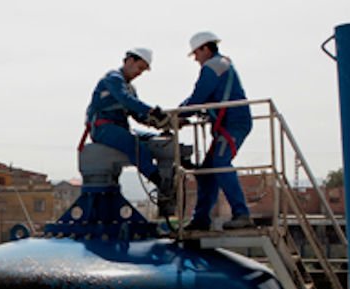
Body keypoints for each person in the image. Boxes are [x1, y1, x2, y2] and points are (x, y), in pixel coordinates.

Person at [82, 48, 173, 214]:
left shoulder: (130, 88)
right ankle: (159, 181)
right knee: (135, 145)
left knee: (159, 141)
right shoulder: (113, 79)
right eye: (139, 68)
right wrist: (152, 111)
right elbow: (126, 100)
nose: (140, 73)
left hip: (120, 128)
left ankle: (175, 177)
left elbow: (137, 114)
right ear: (129, 61)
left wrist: (162, 123)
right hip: (103, 128)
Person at [181, 31, 254, 230]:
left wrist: (178, 114)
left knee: (220, 164)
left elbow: (197, 97)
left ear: (205, 48)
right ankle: (201, 219)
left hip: (233, 123)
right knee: (206, 172)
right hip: (227, 124)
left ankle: (241, 214)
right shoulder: (221, 64)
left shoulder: (213, 67)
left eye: (196, 53)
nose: (195, 58)